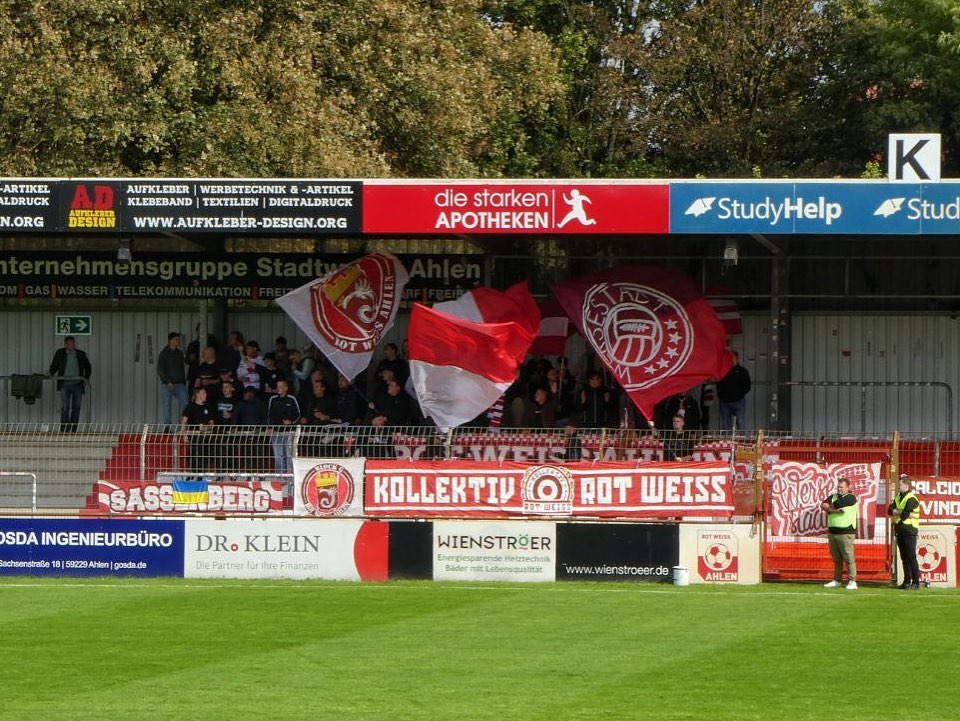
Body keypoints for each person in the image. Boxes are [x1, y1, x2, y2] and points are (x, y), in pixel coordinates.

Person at [820, 477, 858, 590]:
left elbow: (835, 504)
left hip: (846, 532)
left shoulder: (851, 498)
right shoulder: (833, 496)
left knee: (848, 557)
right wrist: (834, 511)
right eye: (838, 487)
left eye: (841, 487)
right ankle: (837, 580)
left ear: (848, 487)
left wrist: (829, 509)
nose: (839, 489)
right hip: (833, 532)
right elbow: (823, 504)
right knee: (836, 559)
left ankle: (852, 581)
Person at [49, 335, 92, 432]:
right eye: (69, 344)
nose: (71, 345)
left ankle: (73, 429)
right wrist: (50, 373)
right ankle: (64, 428)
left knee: (76, 407)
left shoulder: (80, 354)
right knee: (65, 406)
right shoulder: (60, 353)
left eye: (73, 343)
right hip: (64, 384)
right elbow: (54, 365)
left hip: (77, 384)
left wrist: (86, 378)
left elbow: (88, 367)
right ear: (65, 345)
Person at [889, 474, 922, 590]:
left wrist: (897, 511)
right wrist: (900, 511)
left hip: (910, 531)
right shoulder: (898, 497)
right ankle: (906, 581)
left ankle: (916, 582)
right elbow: (889, 510)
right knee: (904, 558)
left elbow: (905, 514)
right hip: (900, 530)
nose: (898, 486)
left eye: (900, 485)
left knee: (911, 557)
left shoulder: (912, 498)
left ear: (907, 486)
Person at [267, 378, 301, 473]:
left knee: (289, 454)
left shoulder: (292, 398)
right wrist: (270, 427)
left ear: (286, 388)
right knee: (278, 455)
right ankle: (280, 476)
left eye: (281, 386)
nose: (278, 388)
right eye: (277, 387)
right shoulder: (273, 399)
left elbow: (298, 414)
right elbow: (270, 414)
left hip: (289, 432)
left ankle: (290, 475)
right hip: (276, 432)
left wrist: (291, 422)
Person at [180, 387, 215, 474]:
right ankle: (192, 473)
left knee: (205, 455)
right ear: (198, 394)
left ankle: (202, 473)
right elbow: (184, 421)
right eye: (204, 393)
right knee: (193, 454)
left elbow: (211, 422)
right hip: (194, 435)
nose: (206, 395)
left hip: (205, 436)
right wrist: (184, 434)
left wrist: (207, 428)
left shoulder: (208, 407)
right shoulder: (190, 406)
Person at [717, 352, 751, 431]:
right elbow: (719, 384)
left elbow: (747, 386)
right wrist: (721, 395)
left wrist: (739, 394)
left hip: (738, 401)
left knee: (740, 422)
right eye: (729, 358)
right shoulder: (723, 371)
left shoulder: (742, 371)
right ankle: (726, 439)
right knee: (726, 424)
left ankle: (743, 438)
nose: (731, 360)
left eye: (733, 358)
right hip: (725, 402)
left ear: (737, 359)